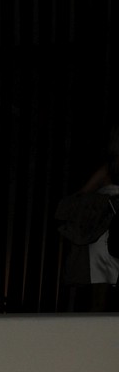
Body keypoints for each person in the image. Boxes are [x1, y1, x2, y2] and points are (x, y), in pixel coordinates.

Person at [56, 123, 119, 312]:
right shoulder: (108, 169)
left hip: (106, 235)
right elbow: (80, 198)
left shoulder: (108, 169)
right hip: (105, 234)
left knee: (103, 290)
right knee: (101, 289)